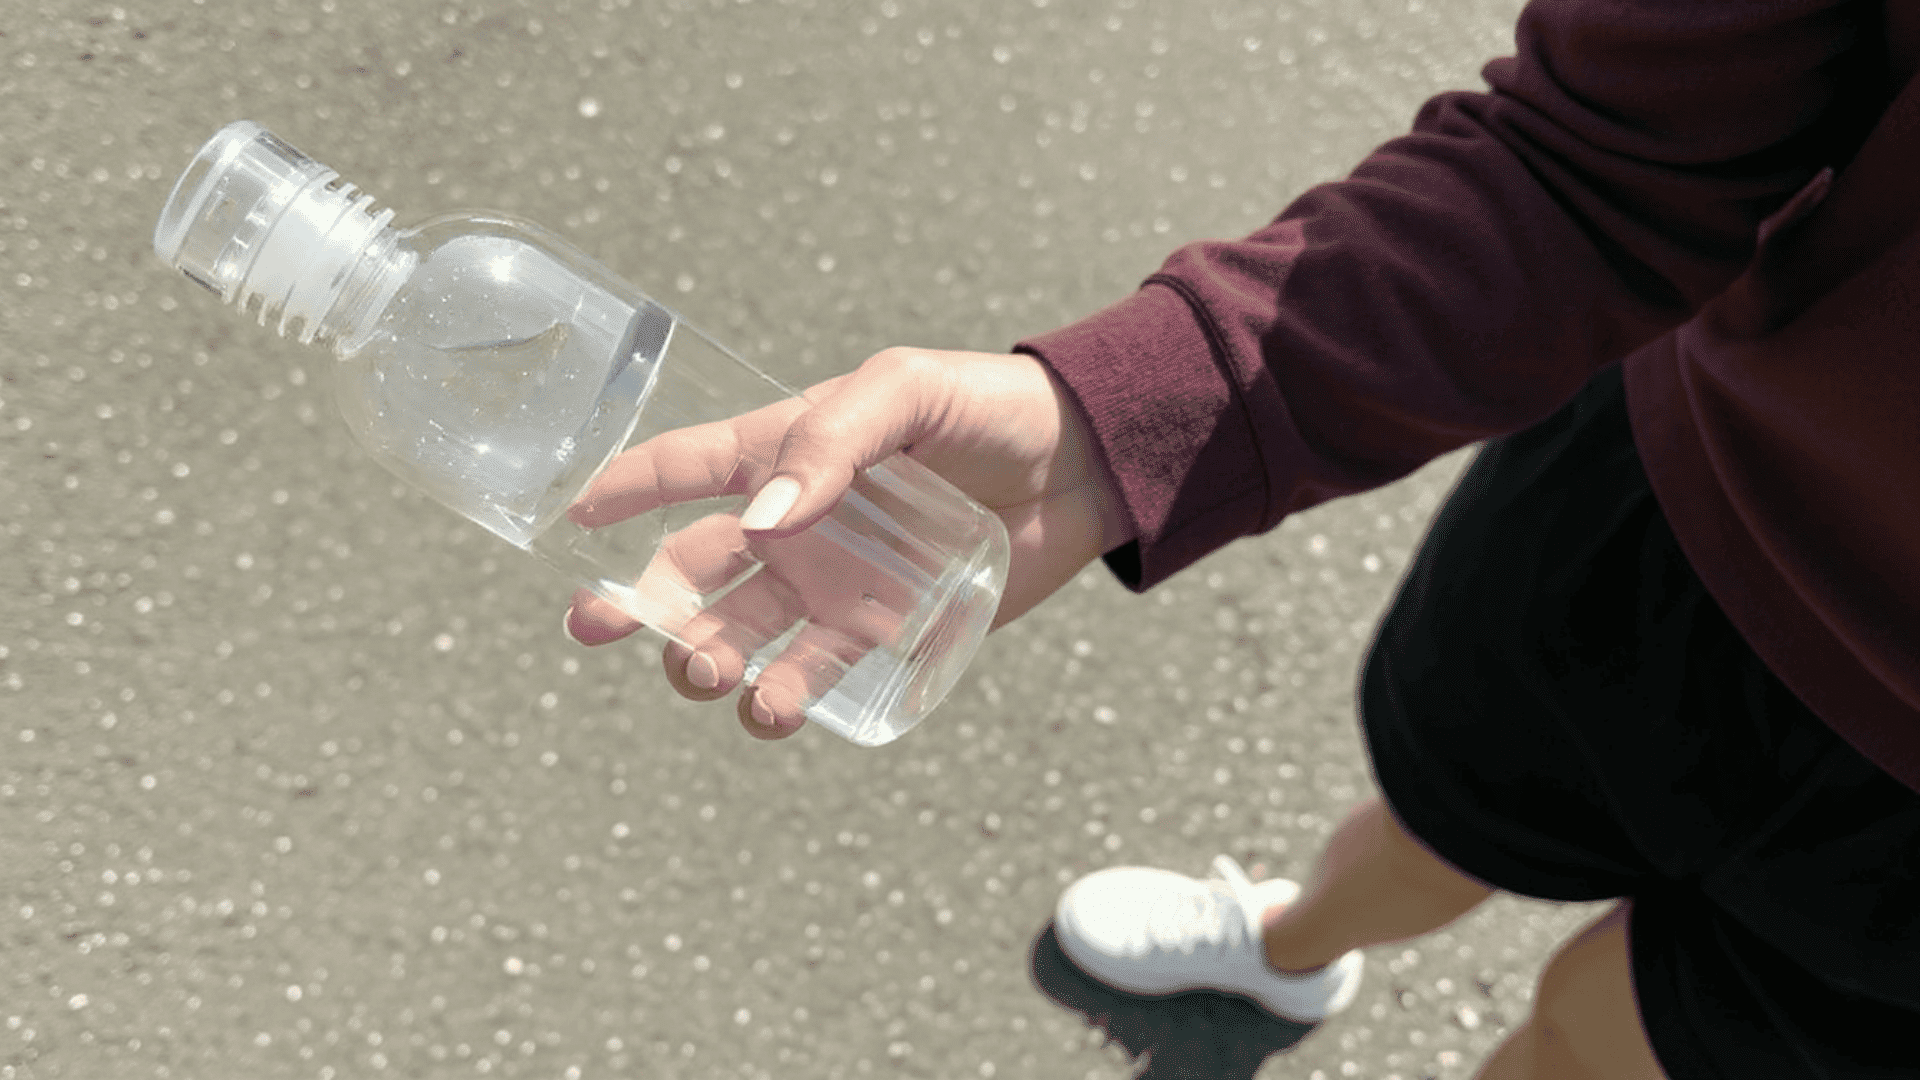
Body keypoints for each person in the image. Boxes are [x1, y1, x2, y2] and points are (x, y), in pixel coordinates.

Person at [563, 2, 1920, 1077]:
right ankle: (1288, 945)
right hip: (1686, 513)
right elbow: (1602, 165)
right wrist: (1116, 422)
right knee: (1439, 818)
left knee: (1592, 1034)